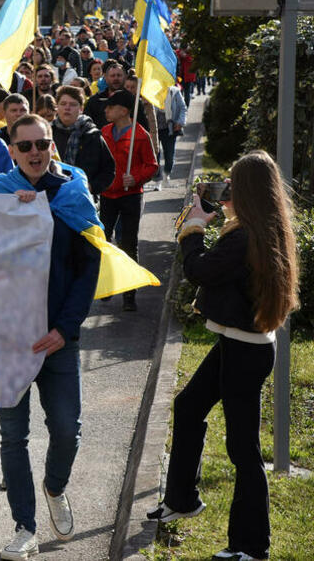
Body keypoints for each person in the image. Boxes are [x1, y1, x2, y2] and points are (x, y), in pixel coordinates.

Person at [148, 151, 298, 561]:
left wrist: (193, 227)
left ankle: (251, 546)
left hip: (244, 352)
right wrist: (213, 215)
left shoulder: (245, 237)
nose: (226, 188)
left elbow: (200, 270)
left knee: (243, 449)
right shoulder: (259, 228)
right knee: (188, 406)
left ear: (246, 191)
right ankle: (182, 499)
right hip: (239, 345)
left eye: (232, 183)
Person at [0, 115, 101, 560]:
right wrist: (12, 215)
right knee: (13, 437)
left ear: (53, 147)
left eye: (42, 144)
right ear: (12, 150)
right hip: (9, 338)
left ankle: (55, 486)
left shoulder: (73, 194)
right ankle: (24, 527)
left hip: (58, 338)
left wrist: (65, 328)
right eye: (25, 145)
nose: (34, 152)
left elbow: (89, 267)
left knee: (67, 430)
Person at [99, 90, 158, 312]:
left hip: (131, 196)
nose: (106, 110)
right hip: (107, 195)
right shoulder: (104, 132)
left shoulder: (140, 135)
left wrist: (136, 177)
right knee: (104, 241)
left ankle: (129, 295)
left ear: (124, 110)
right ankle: (107, 285)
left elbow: (152, 165)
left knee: (129, 243)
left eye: (110, 106)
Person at [50, 86, 115, 196]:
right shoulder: (47, 133)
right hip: (53, 196)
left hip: (83, 196)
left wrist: (91, 187)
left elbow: (108, 169)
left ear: (81, 108)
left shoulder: (92, 135)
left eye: (73, 104)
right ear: (57, 107)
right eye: (63, 104)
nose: (67, 108)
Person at [155, 83, 186, 188]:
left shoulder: (174, 91)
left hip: (169, 129)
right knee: (155, 156)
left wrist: (180, 122)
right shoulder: (150, 90)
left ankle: (166, 175)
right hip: (154, 129)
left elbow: (182, 108)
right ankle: (157, 181)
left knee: (169, 156)